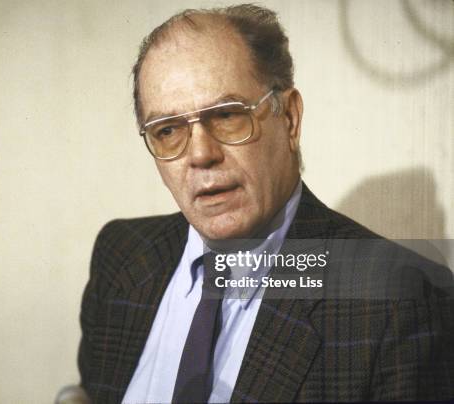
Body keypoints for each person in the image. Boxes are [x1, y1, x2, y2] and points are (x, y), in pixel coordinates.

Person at [78, 4, 454, 403]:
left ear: (289, 118)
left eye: (227, 115)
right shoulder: (122, 254)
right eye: (167, 129)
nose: (201, 154)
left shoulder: (405, 302)